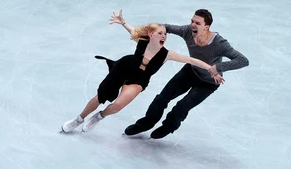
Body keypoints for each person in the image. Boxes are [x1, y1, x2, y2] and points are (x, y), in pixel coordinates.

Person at [60, 12, 222, 133]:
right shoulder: (143, 40)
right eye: (160, 33)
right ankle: (79, 119)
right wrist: (123, 22)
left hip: (139, 81)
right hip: (123, 69)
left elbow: (192, 61)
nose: (164, 36)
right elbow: (133, 31)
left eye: (165, 34)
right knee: (100, 97)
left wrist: (211, 68)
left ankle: (99, 116)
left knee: (117, 105)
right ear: (151, 35)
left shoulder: (167, 54)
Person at [122, 9, 249, 139]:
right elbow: (166, 27)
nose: (193, 25)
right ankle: (145, 124)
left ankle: (168, 127)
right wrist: (146, 30)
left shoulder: (219, 44)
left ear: (206, 27)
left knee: (181, 107)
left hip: (208, 83)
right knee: (161, 99)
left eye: (197, 23)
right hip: (190, 72)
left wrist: (218, 67)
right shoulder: (187, 31)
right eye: (192, 21)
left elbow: (243, 60)